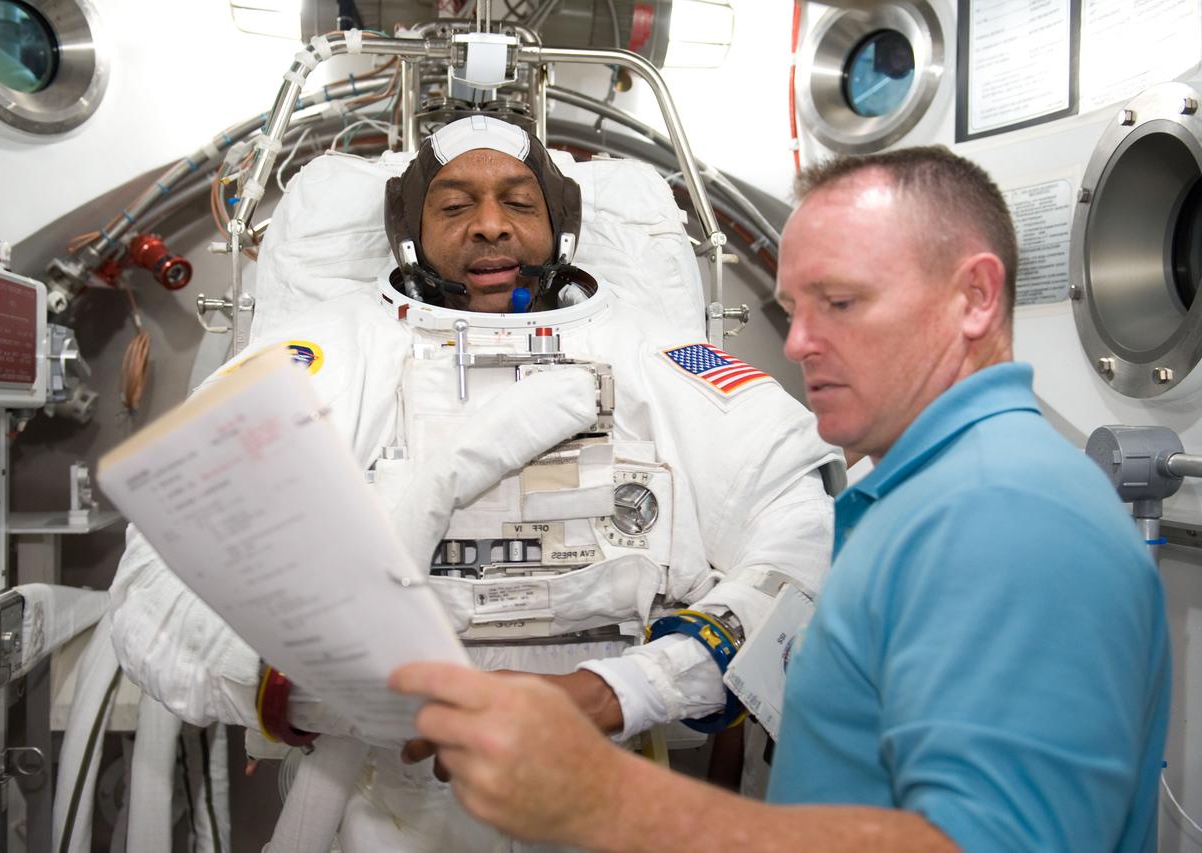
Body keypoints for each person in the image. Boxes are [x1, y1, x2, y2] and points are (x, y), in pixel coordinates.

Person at [392, 145, 1172, 853]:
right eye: (795, 308)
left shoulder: (1009, 517)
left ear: (973, 298)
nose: (797, 343)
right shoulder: (921, 503)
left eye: (840, 301)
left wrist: (611, 797)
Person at [108, 115, 840, 850]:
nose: (490, 226)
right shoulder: (324, 355)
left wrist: (627, 688)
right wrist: (365, 699)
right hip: (380, 792)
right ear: (409, 233)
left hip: (607, 781)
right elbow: (158, 591)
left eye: (519, 204)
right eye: (455, 206)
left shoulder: (655, 355)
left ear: (562, 227)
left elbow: (805, 548)